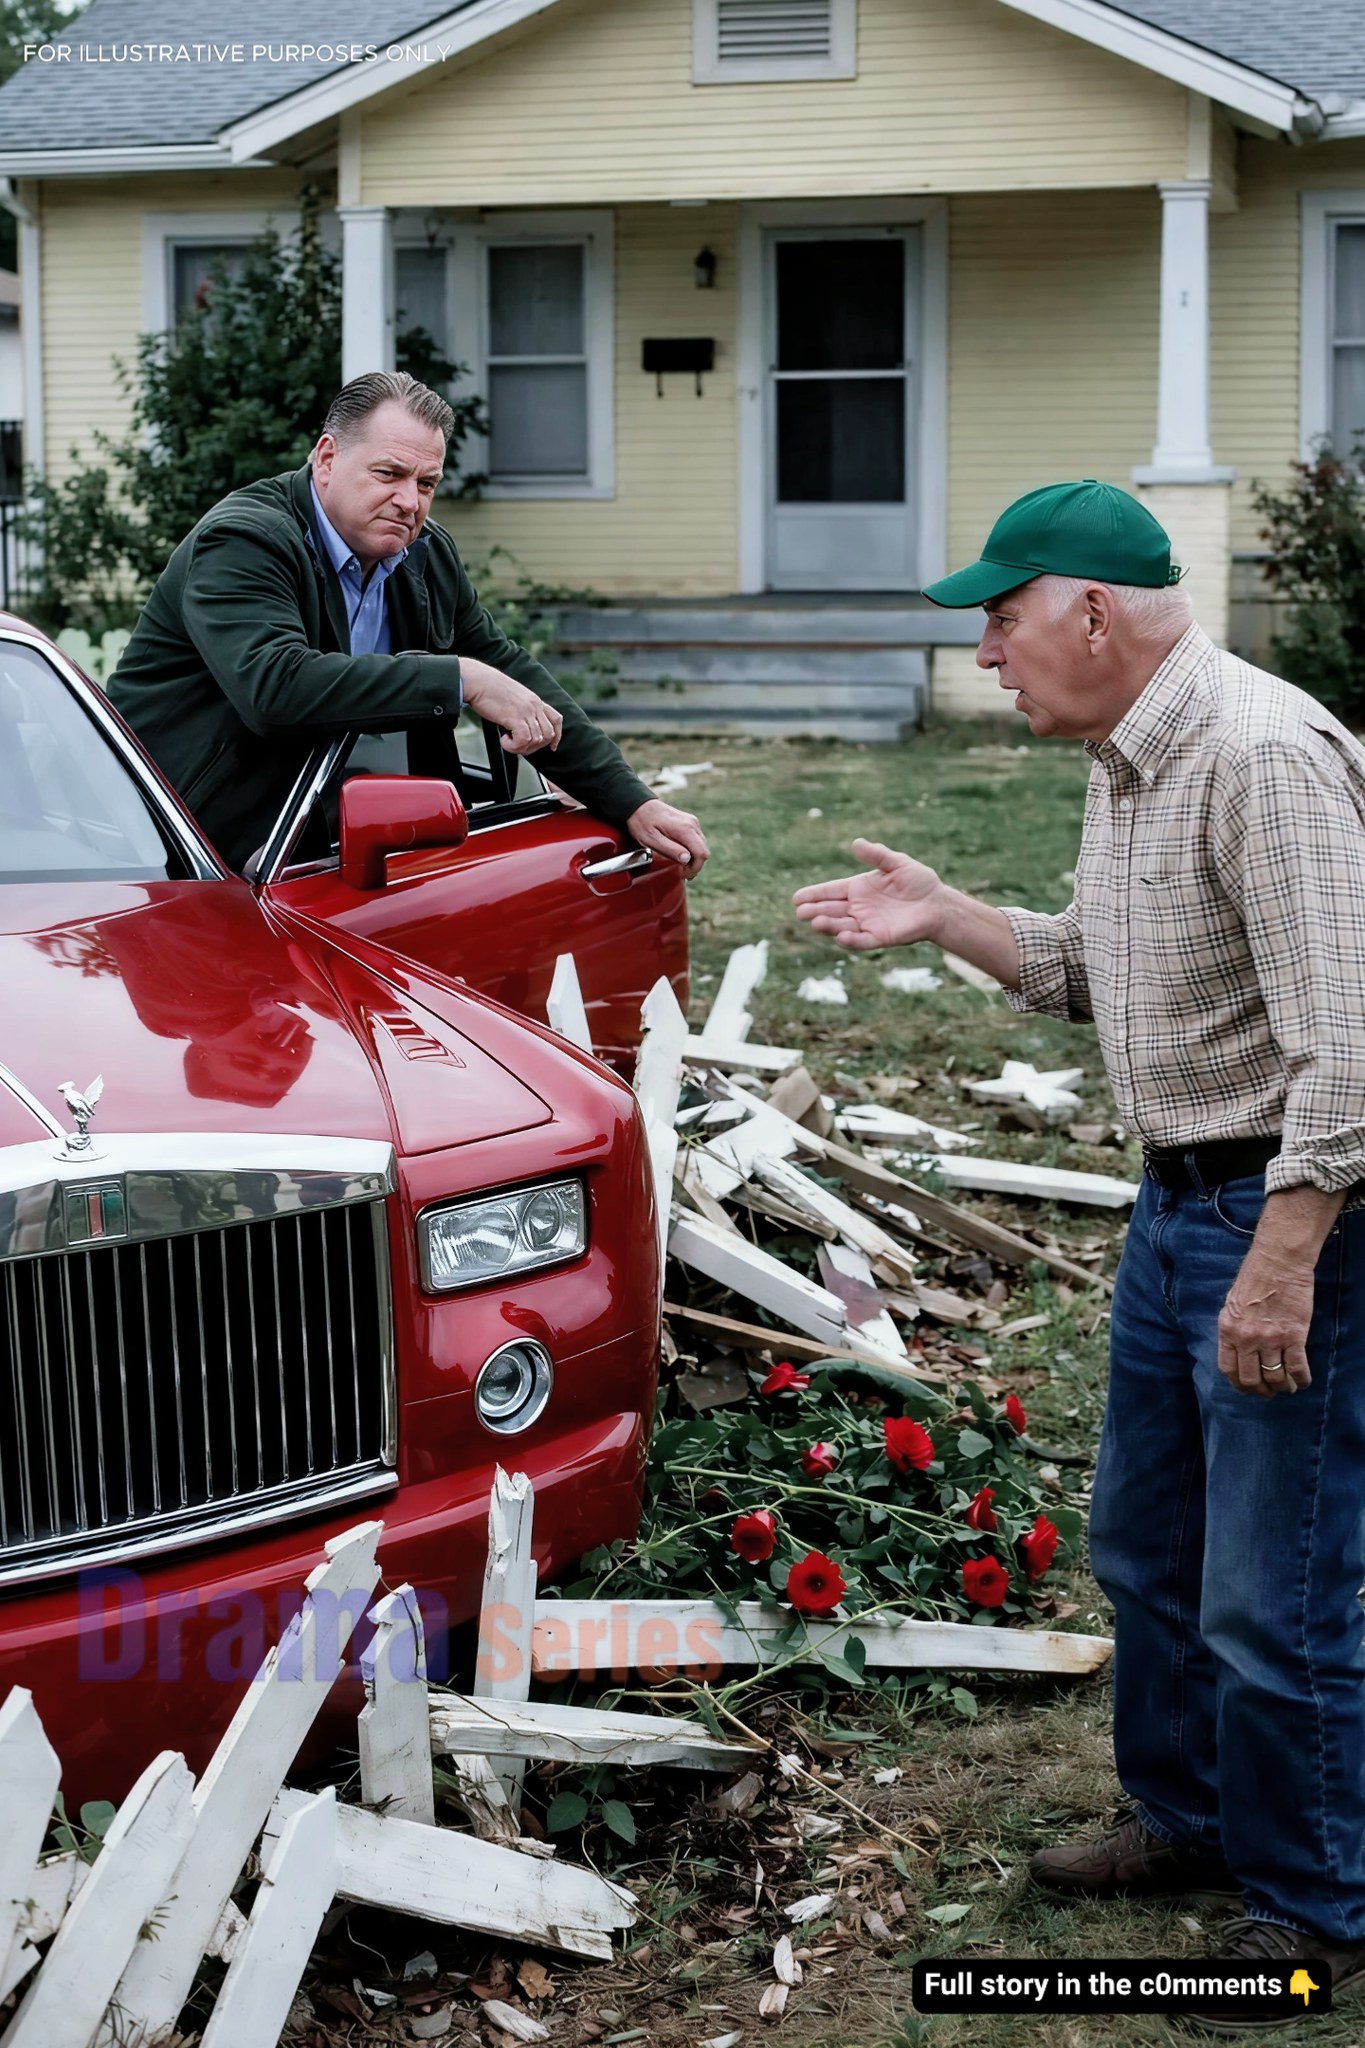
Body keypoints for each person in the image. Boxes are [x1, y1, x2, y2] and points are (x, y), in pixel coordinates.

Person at [793, 480, 1365, 2032]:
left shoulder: (1261, 758)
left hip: (1282, 1219)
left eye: (1001, 615)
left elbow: (1354, 1051)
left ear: (1091, 613)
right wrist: (943, 915)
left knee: (1278, 1590)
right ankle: (1186, 1818)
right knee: (1146, 1546)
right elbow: (1082, 974)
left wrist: (1285, 1256)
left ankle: (1311, 1904)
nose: (987, 649)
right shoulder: (1128, 759)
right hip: (1177, 1208)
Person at [108, 370, 709, 877]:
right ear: (326, 458)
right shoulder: (245, 539)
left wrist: (630, 801)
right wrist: (459, 678)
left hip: (305, 850)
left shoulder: (424, 554)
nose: (409, 501)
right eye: (389, 474)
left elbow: (511, 674)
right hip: (175, 848)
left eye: (426, 484)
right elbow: (275, 689)